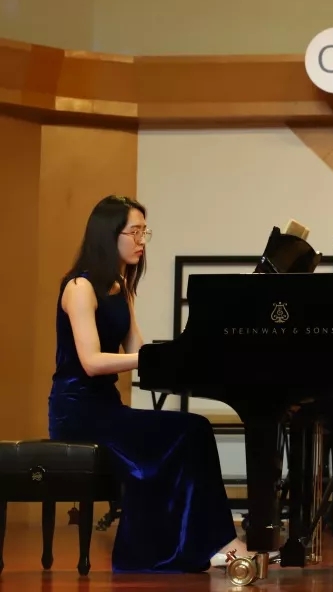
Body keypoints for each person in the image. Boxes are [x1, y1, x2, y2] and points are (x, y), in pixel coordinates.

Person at [47, 195, 248, 573]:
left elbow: (139, 351)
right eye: (134, 232)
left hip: (106, 409)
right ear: (108, 235)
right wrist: (154, 357)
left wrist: (190, 354)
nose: (142, 241)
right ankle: (210, 544)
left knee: (195, 429)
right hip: (77, 413)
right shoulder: (79, 287)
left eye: (144, 232)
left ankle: (211, 542)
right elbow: (92, 362)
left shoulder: (120, 286)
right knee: (192, 430)